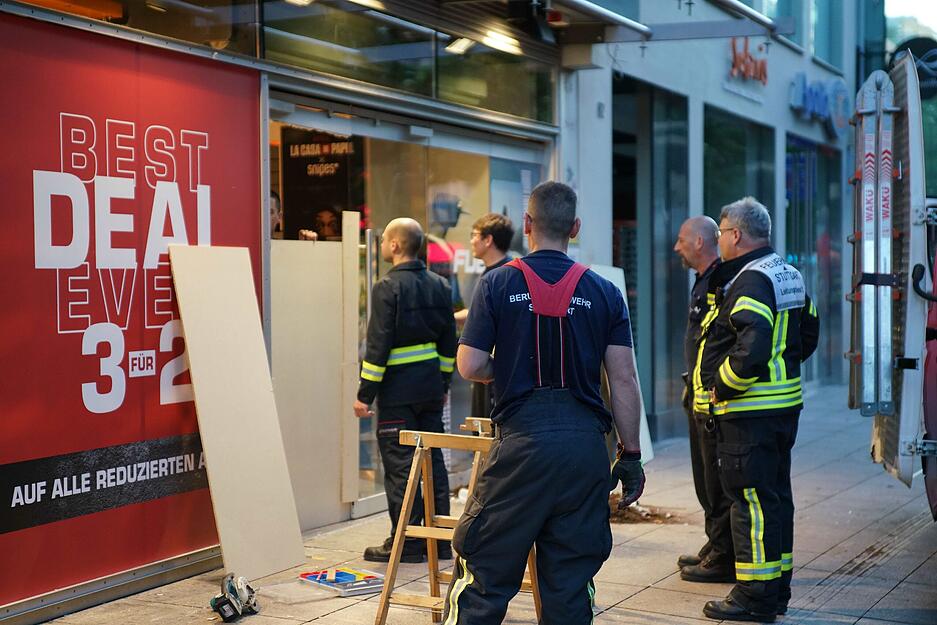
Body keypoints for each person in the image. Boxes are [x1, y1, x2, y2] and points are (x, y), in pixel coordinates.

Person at [444, 181, 645, 625]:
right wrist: (630, 455)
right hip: (584, 451)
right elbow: (625, 379)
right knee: (570, 585)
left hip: (522, 449)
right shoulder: (603, 291)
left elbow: (471, 364)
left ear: (528, 225)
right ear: (575, 227)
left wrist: (509, 366)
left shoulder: (497, 284)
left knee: (483, 576)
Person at [696, 198, 819, 623]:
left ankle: (754, 596)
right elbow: (809, 331)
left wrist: (721, 387)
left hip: (749, 412)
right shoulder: (788, 273)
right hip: (782, 408)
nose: (720, 240)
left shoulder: (749, 281)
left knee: (750, 501)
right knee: (774, 498)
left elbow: (753, 345)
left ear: (736, 235)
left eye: (722, 233)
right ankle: (775, 586)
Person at [353, 218, 457, 564]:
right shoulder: (440, 285)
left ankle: (408, 542)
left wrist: (364, 394)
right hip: (430, 390)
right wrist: (442, 384)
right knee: (433, 462)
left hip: (398, 394)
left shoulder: (387, 287)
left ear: (396, 246)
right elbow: (448, 344)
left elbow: (378, 346)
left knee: (401, 467)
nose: (381, 246)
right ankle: (440, 539)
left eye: (384, 241)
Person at [673, 216, 735, 583]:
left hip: (713, 397)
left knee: (716, 477)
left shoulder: (723, 281)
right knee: (704, 476)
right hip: (696, 391)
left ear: (699, 242)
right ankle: (715, 543)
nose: (676, 247)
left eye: (682, 240)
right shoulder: (704, 279)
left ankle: (723, 554)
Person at [454, 214, 515, 420]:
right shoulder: (496, 274)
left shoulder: (502, 276)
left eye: (475, 235)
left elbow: (485, 315)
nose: (471, 240)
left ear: (488, 240)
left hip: (497, 373)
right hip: (487, 369)